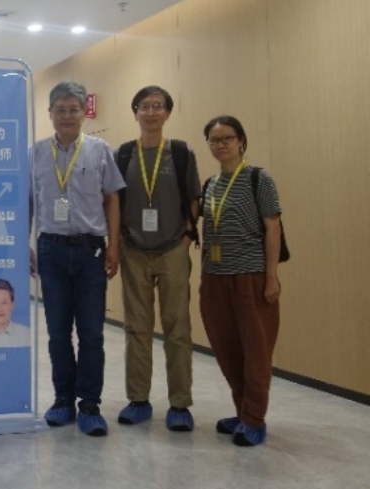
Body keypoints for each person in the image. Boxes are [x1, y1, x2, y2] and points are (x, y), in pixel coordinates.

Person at [30, 81, 125, 437]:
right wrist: (25, 243)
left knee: (92, 334)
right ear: (50, 113)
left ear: (84, 113)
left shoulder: (100, 150)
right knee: (57, 333)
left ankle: (89, 405)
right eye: (60, 109)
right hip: (50, 250)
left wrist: (114, 245)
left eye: (73, 109)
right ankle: (62, 400)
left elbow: (112, 198)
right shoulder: (36, 153)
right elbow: (27, 199)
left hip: (90, 250)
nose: (67, 116)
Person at [114, 86, 201, 431]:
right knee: (137, 328)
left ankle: (180, 403)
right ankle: (138, 400)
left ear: (167, 113)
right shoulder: (123, 154)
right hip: (134, 251)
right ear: (135, 112)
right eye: (144, 106)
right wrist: (118, 241)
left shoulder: (180, 152)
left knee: (177, 328)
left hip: (172, 251)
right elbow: (114, 201)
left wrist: (186, 238)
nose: (151, 112)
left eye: (158, 106)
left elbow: (193, 198)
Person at [199, 115, 282, 447]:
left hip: (250, 277)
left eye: (227, 138)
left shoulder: (258, 178)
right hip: (214, 279)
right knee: (227, 350)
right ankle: (242, 410)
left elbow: (273, 228)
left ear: (241, 142)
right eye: (214, 140)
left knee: (256, 352)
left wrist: (271, 277)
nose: (220, 145)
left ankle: (254, 419)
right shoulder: (210, 184)